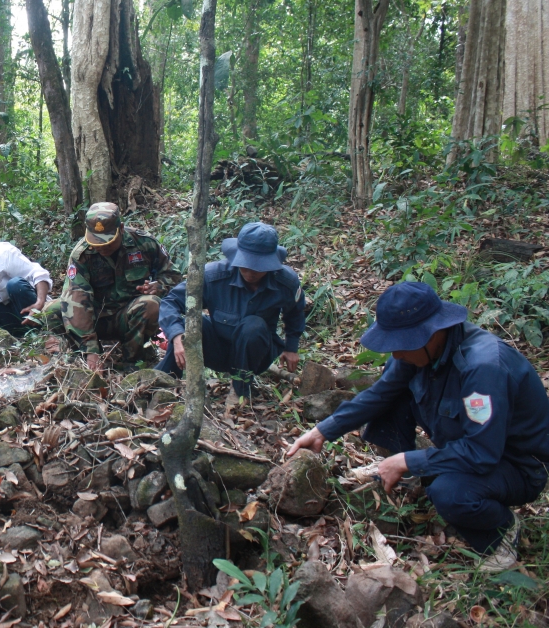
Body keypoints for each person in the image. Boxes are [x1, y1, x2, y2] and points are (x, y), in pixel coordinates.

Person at [287, 281, 549, 572]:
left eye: (401, 344)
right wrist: (323, 430)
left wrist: (407, 459)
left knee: (449, 494)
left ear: (433, 332)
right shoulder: (423, 352)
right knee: (394, 393)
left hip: (515, 464)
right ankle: (410, 476)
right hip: (471, 445)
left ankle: (500, 529)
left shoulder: (483, 368)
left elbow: (482, 452)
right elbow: (380, 394)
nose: (396, 354)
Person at [156, 222, 305, 398]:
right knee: (195, 324)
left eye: (259, 267)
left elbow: (295, 312)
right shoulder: (213, 276)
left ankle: (240, 392)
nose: (251, 272)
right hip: (218, 349)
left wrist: (291, 347)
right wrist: (176, 335)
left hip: (257, 353)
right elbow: (170, 302)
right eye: (246, 264)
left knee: (253, 326)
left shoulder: (285, 282)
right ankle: (160, 383)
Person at [61, 202, 180, 370]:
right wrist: (90, 350)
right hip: (96, 319)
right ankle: (78, 358)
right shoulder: (81, 254)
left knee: (151, 304)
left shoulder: (144, 243)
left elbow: (173, 276)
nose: (102, 247)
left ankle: (133, 360)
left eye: (108, 242)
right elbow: (77, 299)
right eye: (96, 242)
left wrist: (159, 286)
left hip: (129, 318)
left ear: (121, 229)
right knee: (55, 310)